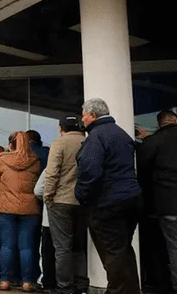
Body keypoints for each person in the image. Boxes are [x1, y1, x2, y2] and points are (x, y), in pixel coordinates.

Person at [76, 98, 142, 294]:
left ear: (93, 116)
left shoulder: (96, 137)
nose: (83, 119)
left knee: (113, 254)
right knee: (123, 251)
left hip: (107, 203)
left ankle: (119, 290)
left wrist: (81, 195)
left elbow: (90, 171)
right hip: (130, 198)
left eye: (84, 115)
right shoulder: (121, 134)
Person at [0, 132, 42, 292]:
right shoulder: (35, 161)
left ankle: (5, 281)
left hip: (5, 207)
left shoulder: (3, 160)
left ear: (10, 145)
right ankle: (27, 282)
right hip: (29, 209)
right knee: (27, 247)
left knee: (7, 245)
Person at [44, 116, 88, 294]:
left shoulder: (59, 143)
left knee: (62, 248)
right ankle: (82, 285)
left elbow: (52, 172)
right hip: (83, 201)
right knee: (79, 246)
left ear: (61, 128)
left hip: (61, 200)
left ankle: (65, 287)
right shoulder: (88, 141)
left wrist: (48, 196)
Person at [137, 110, 177, 293]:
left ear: (159, 124)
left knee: (174, 247)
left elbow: (142, 172)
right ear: (175, 120)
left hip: (167, 202)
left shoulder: (153, 142)